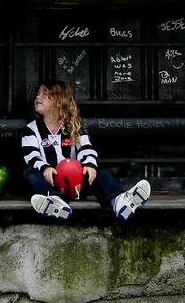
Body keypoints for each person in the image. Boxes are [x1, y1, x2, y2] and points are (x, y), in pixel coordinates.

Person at [21, 79, 150, 220]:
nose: (38, 97)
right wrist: (45, 168)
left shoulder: (74, 126)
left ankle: (119, 201)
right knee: (30, 173)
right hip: (52, 184)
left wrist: (89, 165)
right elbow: (31, 154)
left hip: (76, 184)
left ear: (59, 101)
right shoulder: (31, 129)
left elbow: (86, 149)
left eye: (45, 94)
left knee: (102, 175)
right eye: (38, 93)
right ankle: (55, 202)